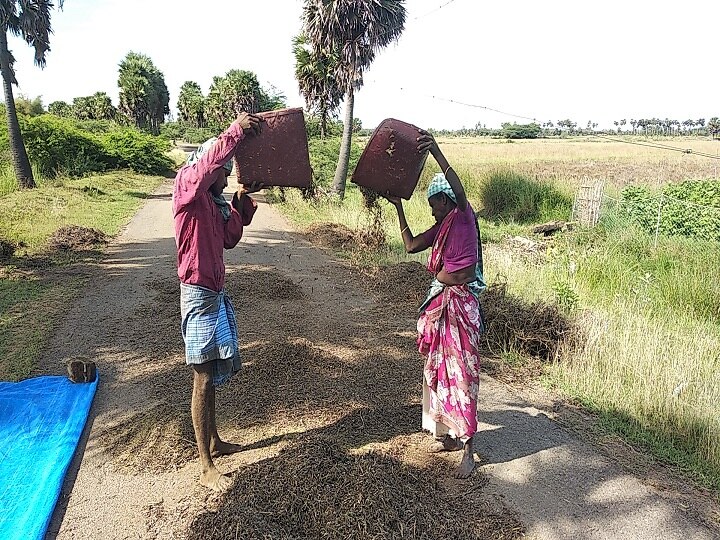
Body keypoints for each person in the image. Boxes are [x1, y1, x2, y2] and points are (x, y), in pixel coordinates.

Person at [385, 129, 485, 479]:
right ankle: (447, 433)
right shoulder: (441, 226)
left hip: (462, 309)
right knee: (440, 371)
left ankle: (469, 448)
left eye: (434, 205)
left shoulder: (462, 216)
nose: (432, 211)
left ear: (446, 201)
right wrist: (398, 208)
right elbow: (411, 245)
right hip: (441, 304)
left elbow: (459, 188)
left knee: (463, 374)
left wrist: (438, 152)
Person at [172, 112, 263, 491]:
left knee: (211, 373)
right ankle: (205, 464)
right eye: (224, 173)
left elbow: (228, 238)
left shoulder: (210, 203)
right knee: (203, 376)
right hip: (197, 294)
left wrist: (241, 201)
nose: (225, 178)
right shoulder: (188, 188)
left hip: (213, 294)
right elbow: (209, 164)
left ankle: (214, 441)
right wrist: (236, 131)